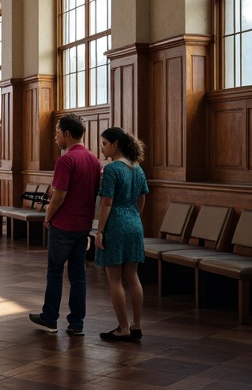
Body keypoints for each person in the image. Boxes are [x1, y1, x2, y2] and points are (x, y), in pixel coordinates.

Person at [28, 113, 103, 335]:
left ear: (67, 134)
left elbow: (59, 195)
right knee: (79, 275)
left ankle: (50, 318)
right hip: (83, 226)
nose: (55, 138)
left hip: (63, 226)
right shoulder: (94, 160)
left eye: (57, 133)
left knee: (54, 272)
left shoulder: (66, 160)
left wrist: (48, 217)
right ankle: (77, 323)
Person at [95, 127, 149, 343]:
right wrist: (134, 215)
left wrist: (99, 231)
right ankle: (137, 325)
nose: (102, 148)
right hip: (135, 222)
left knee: (115, 279)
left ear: (115, 144)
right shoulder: (137, 168)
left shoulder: (111, 169)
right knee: (133, 277)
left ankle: (123, 328)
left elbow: (106, 202)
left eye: (104, 144)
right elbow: (143, 198)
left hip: (116, 224)